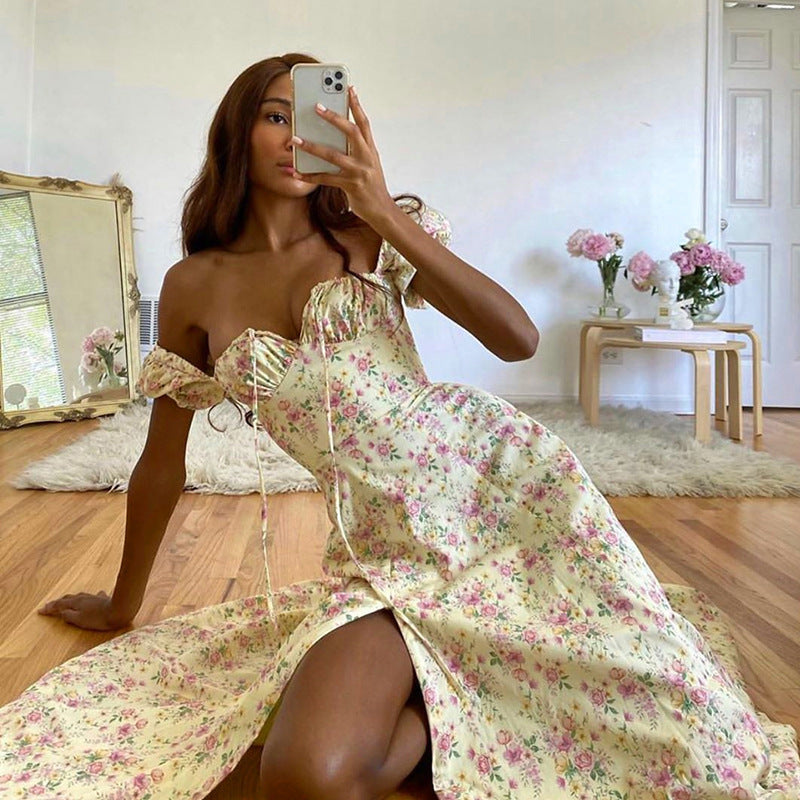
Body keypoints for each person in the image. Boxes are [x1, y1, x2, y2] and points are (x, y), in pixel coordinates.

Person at [1, 52, 798, 800]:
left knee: (680, 739)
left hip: (501, 497)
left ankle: (465, 681)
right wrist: (122, 603)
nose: (296, 135)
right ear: (236, 131)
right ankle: (453, 691)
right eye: (275, 115)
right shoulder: (194, 285)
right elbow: (162, 461)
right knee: (305, 775)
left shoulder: (368, 235)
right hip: (379, 549)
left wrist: (382, 211)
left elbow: (516, 338)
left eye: (314, 115)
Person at [652, 259, 694, 330]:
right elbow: (663, 322)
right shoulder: (656, 308)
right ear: (656, 282)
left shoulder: (680, 311)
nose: (673, 285)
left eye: (676, 279)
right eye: (666, 280)